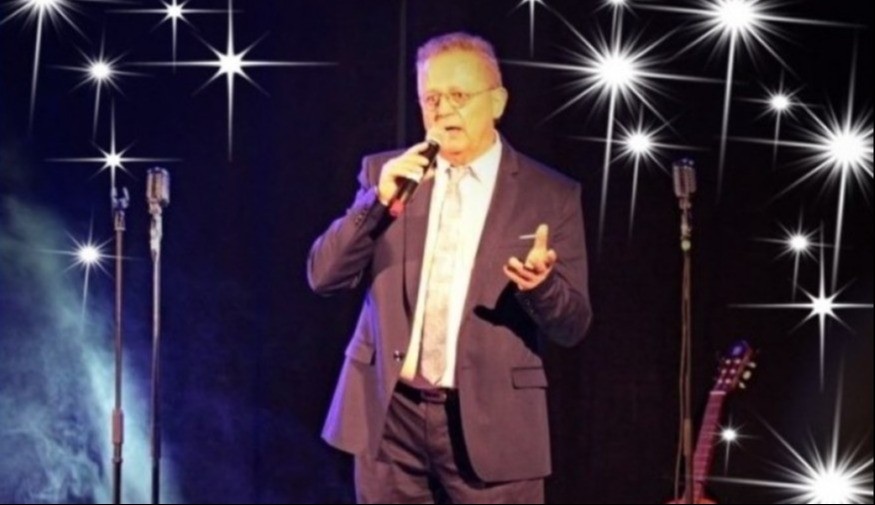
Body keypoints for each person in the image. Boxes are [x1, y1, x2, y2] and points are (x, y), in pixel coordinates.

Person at [308, 31, 592, 504]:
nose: (442, 111)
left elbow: (573, 324)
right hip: (391, 416)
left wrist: (541, 286)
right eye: (431, 98)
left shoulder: (549, 194)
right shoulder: (388, 174)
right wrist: (374, 202)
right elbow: (323, 275)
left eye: (459, 96)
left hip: (493, 419)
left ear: (497, 102)